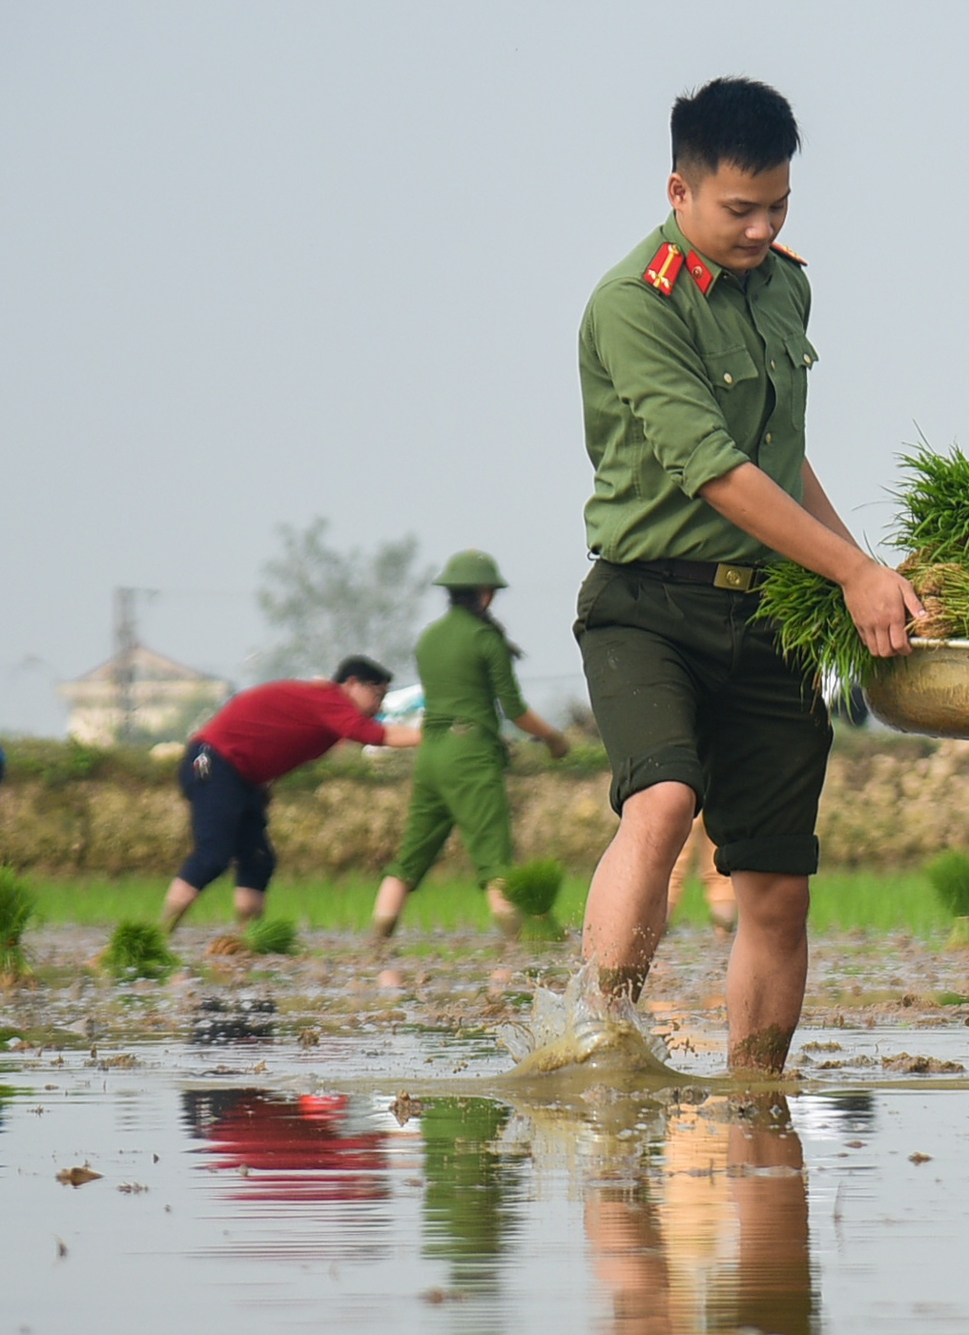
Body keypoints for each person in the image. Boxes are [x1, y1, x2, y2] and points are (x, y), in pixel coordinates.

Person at [572, 78, 918, 1075]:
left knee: (777, 885)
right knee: (665, 800)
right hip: (648, 606)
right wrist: (851, 570)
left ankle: (757, 1091)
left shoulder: (785, 286)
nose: (761, 228)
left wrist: (869, 574)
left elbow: (778, 458)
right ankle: (600, 1048)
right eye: (739, 209)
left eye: (777, 206)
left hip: (769, 612)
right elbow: (719, 473)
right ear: (679, 189)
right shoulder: (632, 304)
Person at [371, 551, 571, 939]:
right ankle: (515, 945)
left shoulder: (429, 638)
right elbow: (514, 710)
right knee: (495, 860)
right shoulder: (485, 638)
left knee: (410, 860)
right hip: (470, 755)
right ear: (485, 593)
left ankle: (376, 943)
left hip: (430, 753)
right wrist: (553, 737)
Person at [161, 656, 419, 932]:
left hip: (242, 778)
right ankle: (161, 932)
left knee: (258, 860)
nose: (378, 706)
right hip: (212, 761)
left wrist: (261, 786)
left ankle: (247, 939)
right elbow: (372, 735)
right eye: (376, 695)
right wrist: (433, 737)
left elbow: (276, 738)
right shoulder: (331, 699)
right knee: (213, 855)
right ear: (352, 684)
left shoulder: (328, 706)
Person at [666, 815, 738, 941]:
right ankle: (723, 940)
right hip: (719, 802)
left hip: (685, 802)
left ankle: (654, 938)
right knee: (719, 874)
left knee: (671, 870)